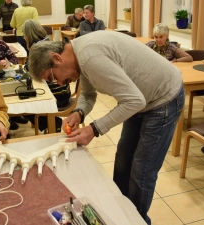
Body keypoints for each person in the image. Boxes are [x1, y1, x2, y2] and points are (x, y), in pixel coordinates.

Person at [27, 31, 185, 224]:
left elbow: (134, 101)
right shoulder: (77, 54)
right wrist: (79, 112)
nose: (60, 83)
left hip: (163, 98)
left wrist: (93, 129)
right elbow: (89, 94)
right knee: (123, 162)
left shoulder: (90, 57)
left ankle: (136, 221)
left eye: (53, 77)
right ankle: (119, 215)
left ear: (56, 57)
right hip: (141, 99)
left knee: (141, 172)